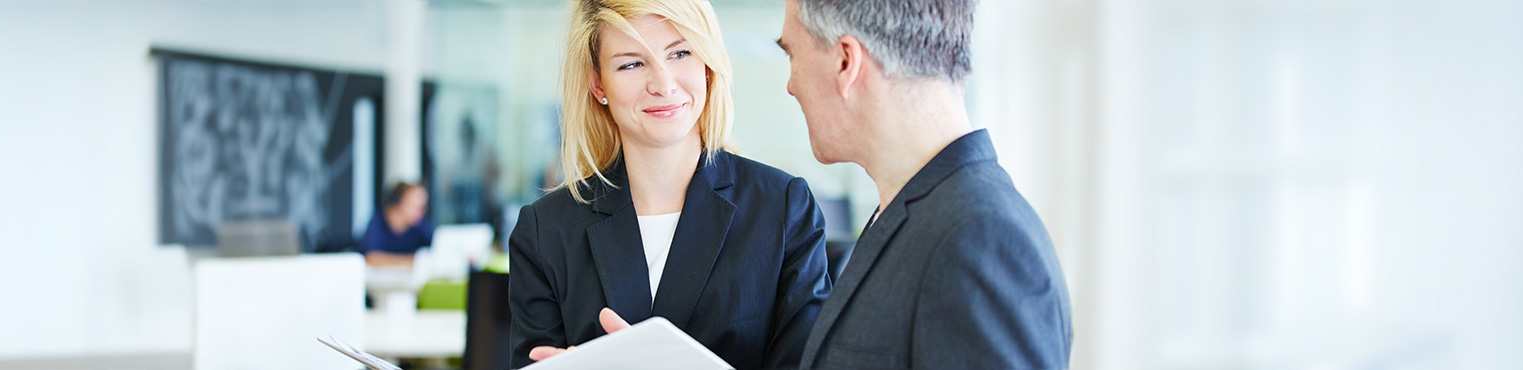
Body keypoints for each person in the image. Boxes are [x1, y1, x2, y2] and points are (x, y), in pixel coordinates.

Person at [506, 0, 833, 369]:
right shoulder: (545, 231)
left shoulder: (782, 209)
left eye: (680, 53)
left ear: (707, 64)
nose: (663, 83)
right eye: (631, 63)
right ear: (598, 83)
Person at [774, 0, 1075, 368]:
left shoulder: (978, 239)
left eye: (791, 54)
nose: (790, 85)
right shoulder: (917, 211)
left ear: (845, 62)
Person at [358, 182, 435, 267]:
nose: (421, 211)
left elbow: (435, 249)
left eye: (423, 206)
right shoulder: (378, 223)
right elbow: (371, 258)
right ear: (398, 202)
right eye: (416, 205)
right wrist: (409, 261)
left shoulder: (420, 225)